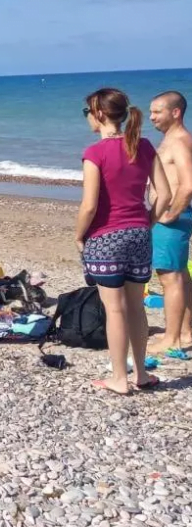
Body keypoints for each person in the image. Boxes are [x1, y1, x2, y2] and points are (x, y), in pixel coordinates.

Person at [75, 87, 171, 394]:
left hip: (107, 237)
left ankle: (119, 377)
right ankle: (140, 373)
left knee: (114, 309)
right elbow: (165, 194)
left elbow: (89, 205)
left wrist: (79, 236)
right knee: (136, 306)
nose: (87, 118)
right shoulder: (142, 146)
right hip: (140, 233)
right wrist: (146, 221)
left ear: (100, 114)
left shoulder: (95, 152)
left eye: (87, 112)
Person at [148, 91, 192, 355]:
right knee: (181, 276)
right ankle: (185, 332)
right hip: (174, 217)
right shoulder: (173, 140)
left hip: (172, 219)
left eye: (157, 111)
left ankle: (171, 338)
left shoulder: (178, 142)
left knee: (170, 278)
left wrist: (171, 213)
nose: (152, 117)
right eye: (151, 112)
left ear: (175, 112)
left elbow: (188, 185)